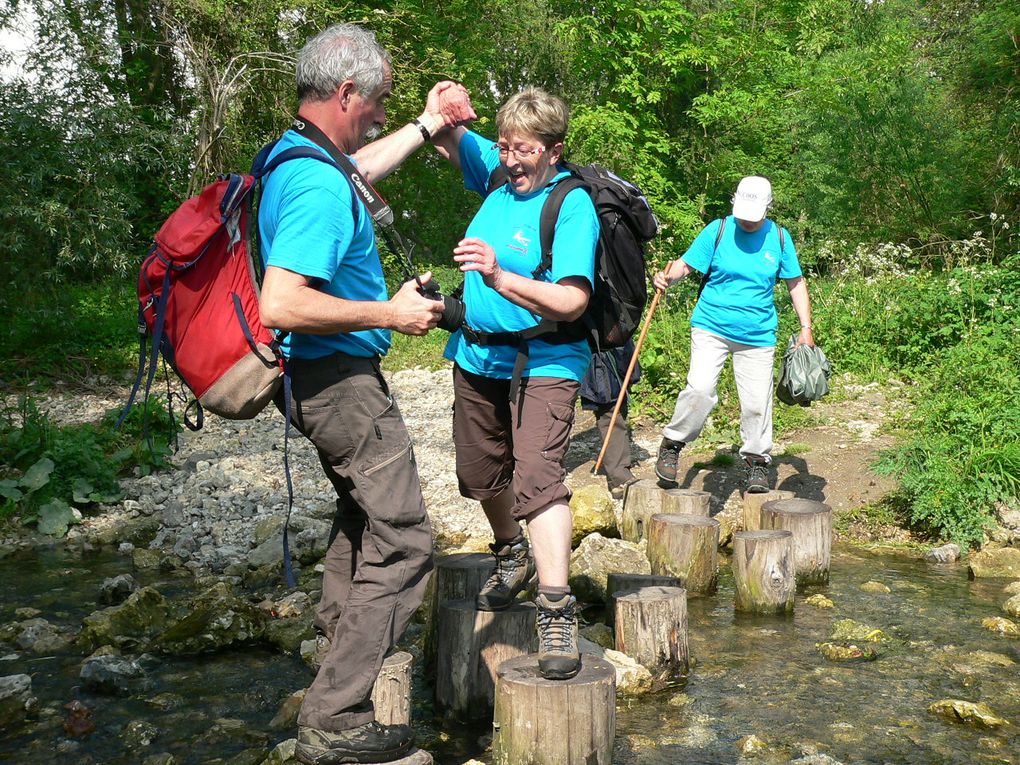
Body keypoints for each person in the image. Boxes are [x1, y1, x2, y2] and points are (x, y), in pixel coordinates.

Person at [257, 24, 475, 765]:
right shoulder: (319, 182)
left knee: (360, 520)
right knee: (409, 537)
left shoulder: (298, 155)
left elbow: (363, 164)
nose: (383, 111)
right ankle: (335, 712)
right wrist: (391, 311)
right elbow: (280, 302)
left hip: (318, 381)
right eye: (378, 99)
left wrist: (429, 124)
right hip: (341, 386)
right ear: (345, 92)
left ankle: (333, 654)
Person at [429, 87, 599, 680]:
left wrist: (499, 276)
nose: (509, 160)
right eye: (502, 147)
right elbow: (448, 134)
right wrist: (444, 104)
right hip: (476, 354)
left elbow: (573, 300)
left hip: (547, 356)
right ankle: (511, 551)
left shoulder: (569, 204)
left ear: (553, 150)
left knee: (537, 475)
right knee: (478, 473)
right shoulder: (499, 176)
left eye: (522, 150)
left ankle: (556, 608)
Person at [651, 176, 815, 494]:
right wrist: (667, 278)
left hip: (757, 335)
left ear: (768, 208)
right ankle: (673, 442)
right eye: (742, 212)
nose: (746, 220)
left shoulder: (780, 238)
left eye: (753, 214)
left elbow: (795, 283)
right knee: (700, 389)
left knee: (756, 404)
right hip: (711, 326)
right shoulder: (719, 229)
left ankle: (756, 462)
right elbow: (686, 265)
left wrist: (806, 328)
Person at [581, 341, 640, 498]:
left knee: (614, 404)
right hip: (582, 348)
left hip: (613, 348)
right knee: (608, 407)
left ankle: (619, 474)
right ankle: (543, 478)